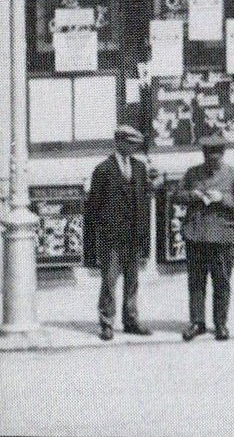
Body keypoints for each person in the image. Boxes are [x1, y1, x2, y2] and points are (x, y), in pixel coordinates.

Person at [83, 125, 154, 340]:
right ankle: (106, 322)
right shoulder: (103, 169)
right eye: (130, 144)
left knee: (132, 280)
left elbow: (143, 198)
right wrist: (103, 230)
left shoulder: (140, 168)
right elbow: (93, 206)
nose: (134, 148)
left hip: (134, 235)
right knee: (109, 281)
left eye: (136, 145)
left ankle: (131, 320)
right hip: (112, 237)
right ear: (119, 142)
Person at [180, 132, 234, 341]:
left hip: (221, 236)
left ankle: (220, 324)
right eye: (208, 153)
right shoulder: (192, 174)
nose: (212, 157)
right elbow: (177, 195)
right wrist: (193, 195)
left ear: (223, 153)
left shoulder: (233, 175)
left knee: (222, 281)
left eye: (216, 153)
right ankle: (197, 322)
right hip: (197, 235)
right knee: (196, 282)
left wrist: (222, 198)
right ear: (203, 153)